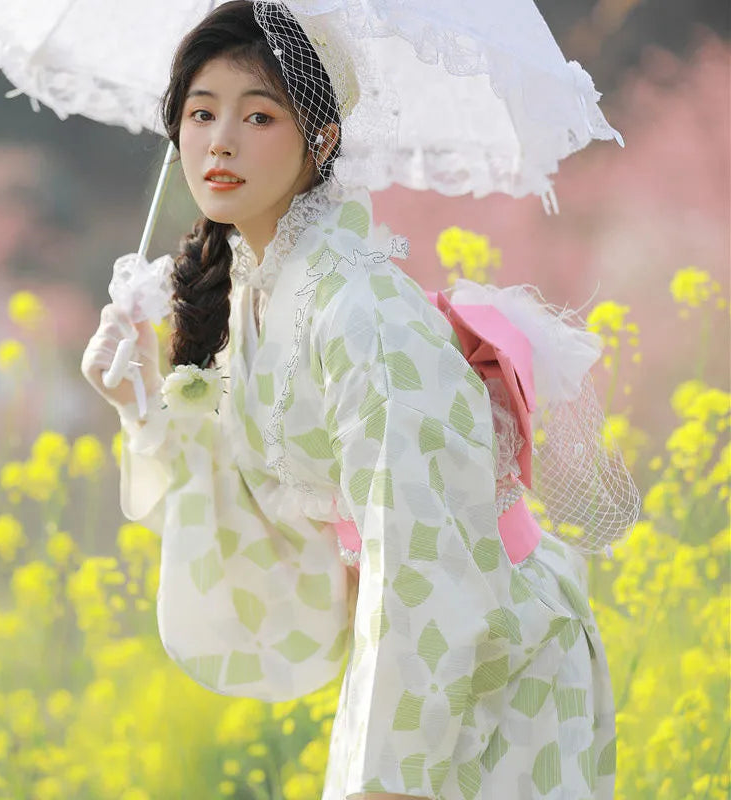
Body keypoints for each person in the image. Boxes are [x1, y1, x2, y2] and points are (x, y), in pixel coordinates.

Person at [82, 2, 633, 798]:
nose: (220, 141)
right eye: (200, 114)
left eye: (258, 114)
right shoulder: (256, 294)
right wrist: (140, 401)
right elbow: (258, 511)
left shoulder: (362, 315)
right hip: (422, 653)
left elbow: (424, 557)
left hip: (492, 653)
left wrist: (384, 775)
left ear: (323, 139)